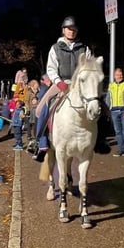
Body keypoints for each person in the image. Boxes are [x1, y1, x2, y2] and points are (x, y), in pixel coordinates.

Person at [32, 16, 94, 161]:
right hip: (61, 83)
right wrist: (59, 83)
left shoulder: (85, 49)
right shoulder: (55, 48)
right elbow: (51, 68)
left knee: (100, 105)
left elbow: (90, 67)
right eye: (69, 29)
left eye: (74, 29)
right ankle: (40, 143)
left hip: (79, 84)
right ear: (63, 30)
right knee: (42, 108)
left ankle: (100, 139)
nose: (71, 31)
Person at [106, 67, 124, 157]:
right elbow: (108, 98)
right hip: (114, 111)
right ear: (114, 76)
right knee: (118, 132)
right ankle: (120, 150)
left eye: (121, 74)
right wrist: (108, 110)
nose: (120, 76)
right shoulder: (111, 86)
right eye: (118, 75)